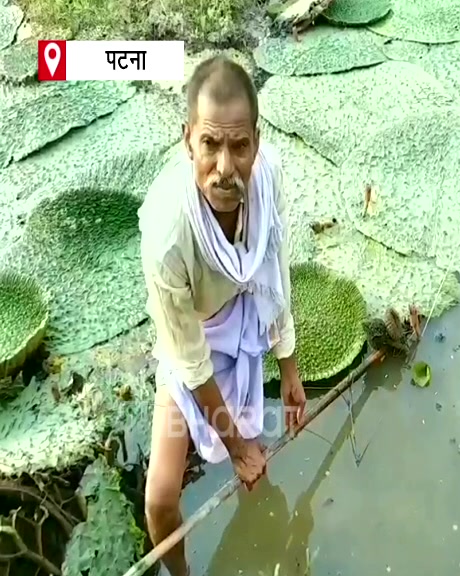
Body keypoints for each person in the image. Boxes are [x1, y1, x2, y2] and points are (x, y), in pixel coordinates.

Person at [138, 56, 307, 576]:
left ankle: (262, 522)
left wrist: (290, 367)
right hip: (194, 333)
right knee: (161, 499)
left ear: (256, 140)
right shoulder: (167, 235)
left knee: (256, 450)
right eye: (210, 144)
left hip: (247, 311)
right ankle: (184, 574)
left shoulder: (268, 175)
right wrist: (233, 444)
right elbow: (188, 358)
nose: (226, 168)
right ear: (188, 138)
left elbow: (274, 264)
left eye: (239, 146)